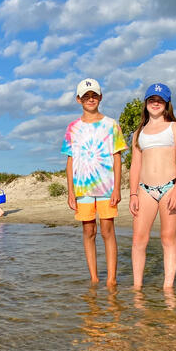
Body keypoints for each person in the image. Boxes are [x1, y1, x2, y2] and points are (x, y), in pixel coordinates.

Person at [62, 78, 126, 287]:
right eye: (86, 96)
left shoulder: (111, 124)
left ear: (100, 97)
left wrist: (117, 187)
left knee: (108, 230)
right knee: (89, 231)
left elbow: (117, 157)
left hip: (107, 187)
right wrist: (70, 192)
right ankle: (94, 278)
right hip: (83, 189)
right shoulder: (72, 128)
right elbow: (70, 161)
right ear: (78, 99)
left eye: (94, 95)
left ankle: (111, 279)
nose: (91, 99)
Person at [128, 83, 176, 289]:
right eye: (152, 100)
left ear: (167, 104)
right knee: (138, 239)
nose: (156, 103)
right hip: (144, 190)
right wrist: (133, 194)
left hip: (169, 188)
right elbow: (135, 165)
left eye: (160, 100)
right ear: (146, 103)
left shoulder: (175, 128)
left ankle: (168, 287)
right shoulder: (139, 133)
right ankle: (137, 287)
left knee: (168, 237)